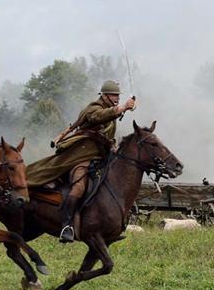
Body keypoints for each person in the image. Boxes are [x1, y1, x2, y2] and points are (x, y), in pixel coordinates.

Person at [26, 80, 136, 243]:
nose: (117, 98)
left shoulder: (110, 111)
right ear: (104, 96)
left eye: (118, 96)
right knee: (79, 186)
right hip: (81, 156)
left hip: (101, 157)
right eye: (114, 95)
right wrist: (123, 108)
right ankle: (67, 226)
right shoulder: (94, 108)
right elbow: (99, 117)